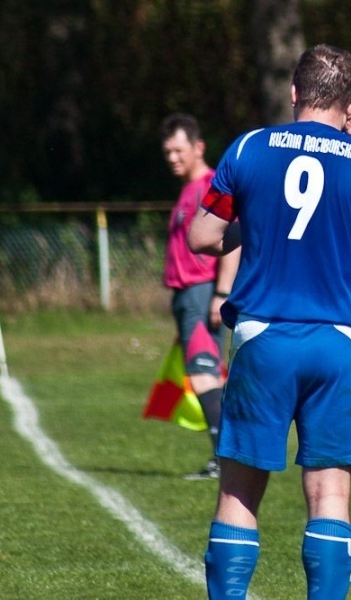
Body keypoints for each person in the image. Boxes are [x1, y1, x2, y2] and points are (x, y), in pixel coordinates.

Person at [187, 44, 351, 600]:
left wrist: (257, 225)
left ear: (294, 93)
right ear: (349, 105)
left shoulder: (248, 148)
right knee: (331, 499)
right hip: (338, 343)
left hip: (262, 336)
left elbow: (202, 238)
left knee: (239, 494)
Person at [160, 113, 240, 480]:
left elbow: (231, 242)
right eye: (168, 152)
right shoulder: (187, 190)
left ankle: (225, 459)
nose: (172, 158)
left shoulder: (210, 185)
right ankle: (224, 457)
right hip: (187, 295)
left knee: (205, 374)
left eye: (179, 150)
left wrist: (220, 293)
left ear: (198, 147)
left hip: (202, 290)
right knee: (203, 374)